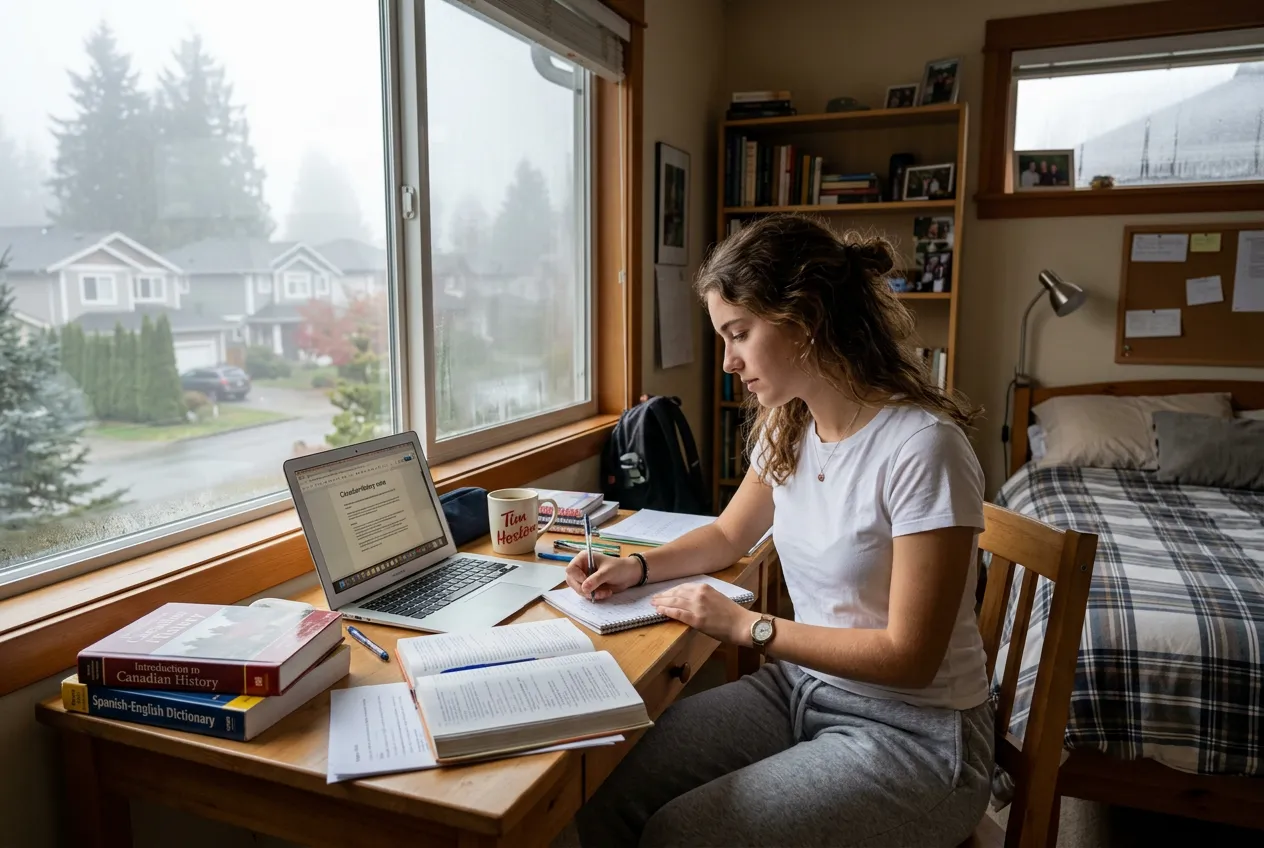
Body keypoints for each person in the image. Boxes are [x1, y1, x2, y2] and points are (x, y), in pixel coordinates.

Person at [570, 213, 994, 848]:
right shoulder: (788, 427)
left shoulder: (923, 447)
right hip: (801, 688)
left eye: (738, 333)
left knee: (683, 835)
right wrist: (636, 564)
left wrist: (749, 628)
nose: (727, 362)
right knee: (607, 778)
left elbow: (911, 657)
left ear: (806, 315)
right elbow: (727, 536)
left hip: (917, 733)